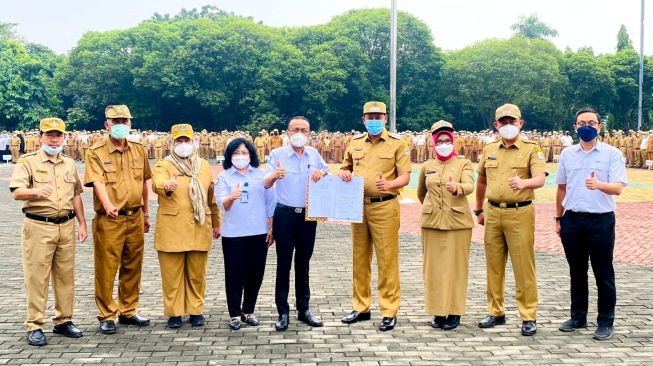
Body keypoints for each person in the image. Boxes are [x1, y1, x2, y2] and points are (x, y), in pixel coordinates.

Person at [9, 117, 87, 346]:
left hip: (66, 226)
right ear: (41, 136)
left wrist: (82, 223)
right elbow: (16, 192)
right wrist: (36, 192)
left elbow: (76, 195)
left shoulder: (69, 164)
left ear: (65, 137)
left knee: (65, 277)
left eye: (58, 135)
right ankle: (35, 324)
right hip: (38, 226)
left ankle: (63, 320)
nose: (54, 140)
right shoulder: (28, 161)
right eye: (49, 135)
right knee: (37, 278)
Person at [475, 103, 547, 336]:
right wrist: (478, 209)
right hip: (493, 212)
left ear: (521, 123)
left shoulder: (531, 149)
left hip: (520, 212)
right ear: (496, 125)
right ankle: (496, 312)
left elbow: (539, 179)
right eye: (503, 122)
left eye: (512, 121)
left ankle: (528, 316)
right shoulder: (489, 149)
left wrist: (524, 183)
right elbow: (482, 181)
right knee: (493, 266)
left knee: (523, 266)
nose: (507, 125)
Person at [338, 101, 411, 331]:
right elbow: (345, 167)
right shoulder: (355, 143)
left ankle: (389, 310)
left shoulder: (398, 144)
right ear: (363, 120)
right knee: (359, 258)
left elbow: (406, 176)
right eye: (370, 116)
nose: (374, 120)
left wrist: (389, 183)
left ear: (386, 118)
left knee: (387, 259)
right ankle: (361, 307)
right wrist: (343, 173)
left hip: (385, 206)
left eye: (378, 116)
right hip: (358, 206)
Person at [555, 108, 627, 340]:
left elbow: (617, 187)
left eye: (592, 122)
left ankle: (605, 321)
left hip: (601, 221)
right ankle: (578, 317)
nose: (587, 126)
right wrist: (559, 217)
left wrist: (599, 185)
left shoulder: (611, 154)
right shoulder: (567, 154)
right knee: (576, 271)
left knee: (603, 272)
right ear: (575, 127)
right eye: (582, 122)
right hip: (573, 220)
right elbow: (561, 188)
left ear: (599, 126)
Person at [84, 105, 152, 334]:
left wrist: (146, 213)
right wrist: (107, 204)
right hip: (109, 219)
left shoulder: (139, 149)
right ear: (107, 125)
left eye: (125, 121)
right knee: (106, 267)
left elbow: (144, 181)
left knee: (133, 265)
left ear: (130, 124)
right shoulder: (95, 151)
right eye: (116, 121)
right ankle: (106, 314)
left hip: (134, 216)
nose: (121, 125)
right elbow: (97, 181)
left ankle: (128, 310)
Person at [152, 124, 221, 328]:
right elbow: (157, 182)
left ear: (194, 142)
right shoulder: (164, 164)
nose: (183, 144)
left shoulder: (203, 165)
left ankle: (195, 310)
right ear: (172, 143)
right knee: (172, 274)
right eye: (179, 141)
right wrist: (167, 186)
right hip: (172, 227)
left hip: (199, 225)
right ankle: (174, 313)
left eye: (186, 140)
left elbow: (211, 197)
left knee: (197, 273)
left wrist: (216, 223)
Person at [263, 116, 329, 331]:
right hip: (284, 215)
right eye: (295, 129)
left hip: (308, 216)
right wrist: (275, 175)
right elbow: (265, 183)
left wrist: (322, 172)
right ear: (287, 132)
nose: (299, 133)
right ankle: (282, 311)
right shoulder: (277, 154)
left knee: (303, 263)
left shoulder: (314, 154)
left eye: (304, 130)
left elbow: (327, 172)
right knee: (283, 263)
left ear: (309, 134)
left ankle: (304, 308)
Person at [416, 120, 474, 331]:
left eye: (446, 140)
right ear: (432, 142)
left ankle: (455, 311)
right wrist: (433, 208)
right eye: (439, 140)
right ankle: (438, 311)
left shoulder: (463, 163)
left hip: (458, 223)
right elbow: (421, 193)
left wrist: (456, 187)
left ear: (453, 141)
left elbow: (469, 185)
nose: (443, 144)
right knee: (434, 270)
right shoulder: (427, 166)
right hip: (432, 223)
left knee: (456, 269)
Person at [215, 138, 275, 330]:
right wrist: (231, 197)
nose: (240, 157)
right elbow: (222, 204)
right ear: (229, 156)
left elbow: (270, 203)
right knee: (234, 274)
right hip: (234, 234)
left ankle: (248, 310)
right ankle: (234, 314)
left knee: (255, 274)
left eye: (244, 153)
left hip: (259, 232)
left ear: (251, 155)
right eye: (235, 153)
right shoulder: (223, 177)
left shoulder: (261, 175)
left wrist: (271, 227)